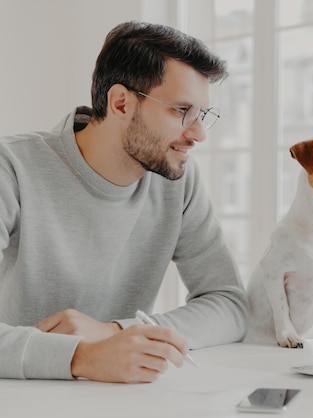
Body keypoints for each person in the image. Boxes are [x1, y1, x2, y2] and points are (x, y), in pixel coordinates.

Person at [0, 21, 248, 383]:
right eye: (182, 111)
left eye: (203, 115)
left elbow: (230, 304)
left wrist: (115, 330)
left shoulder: (176, 178)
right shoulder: (12, 167)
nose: (198, 134)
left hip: (125, 396)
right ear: (121, 103)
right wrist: (81, 357)